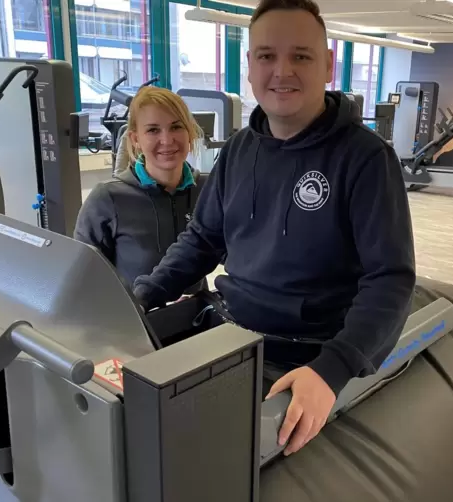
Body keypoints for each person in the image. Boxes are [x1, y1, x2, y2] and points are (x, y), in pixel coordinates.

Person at [133, 0, 415, 456]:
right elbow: (204, 239)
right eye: (267, 56)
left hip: (305, 356)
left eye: (300, 56)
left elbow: (390, 279)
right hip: (226, 332)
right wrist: (143, 294)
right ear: (250, 67)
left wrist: (332, 369)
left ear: (327, 65)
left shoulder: (366, 158)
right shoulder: (240, 149)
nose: (281, 70)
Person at [74, 86, 207, 293]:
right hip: (134, 321)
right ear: (136, 139)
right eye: (153, 130)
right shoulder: (107, 199)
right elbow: (83, 279)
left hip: (197, 317)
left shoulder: (208, 190)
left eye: (176, 127)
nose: (167, 140)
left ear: (189, 131)